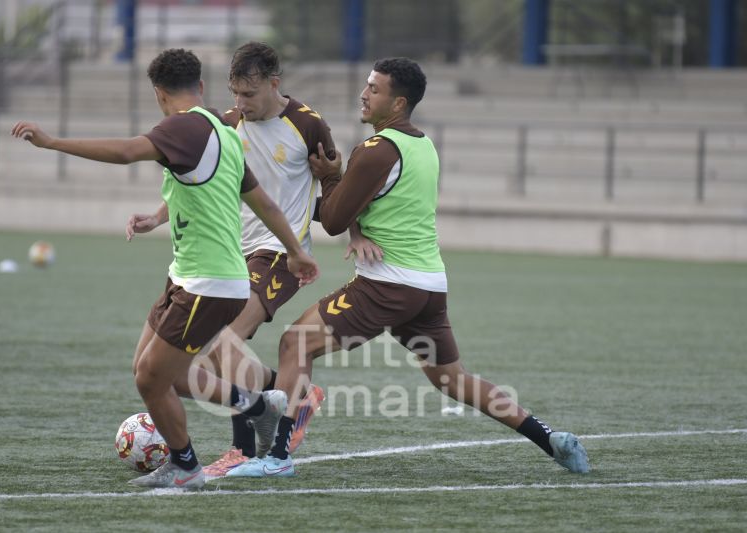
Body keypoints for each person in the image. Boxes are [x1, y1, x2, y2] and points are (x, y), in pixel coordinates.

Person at [226, 57, 590, 478]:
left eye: (374, 90)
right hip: (429, 286)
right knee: (453, 380)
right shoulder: (423, 145)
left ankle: (277, 458)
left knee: (295, 344)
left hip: (387, 284)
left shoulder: (375, 150)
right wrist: (345, 191)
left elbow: (334, 219)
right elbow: (371, 206)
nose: (363, 95)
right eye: (366, 85)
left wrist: (331, 175)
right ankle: (552, 439)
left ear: (398, 103)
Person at [11, 48, 319, 489]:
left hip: (208, 282)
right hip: (189, 276)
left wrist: (52, 142)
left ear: (158, 93)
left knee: (153, 379)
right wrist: (297, 250)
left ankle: (186, 465)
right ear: (201, 85)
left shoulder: (184, 126)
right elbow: (262, 202)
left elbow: (125, 151)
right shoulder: (221, 129)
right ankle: (258, 406)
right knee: (151, 370)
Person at [126, 42, 379, 478]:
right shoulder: (226, 124)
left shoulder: (308, 124)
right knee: (214, 349)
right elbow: (200, 181)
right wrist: (157, 217)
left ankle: (242, 448)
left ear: (273, 84)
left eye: (250, 95)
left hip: (281, 254)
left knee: (221, 341)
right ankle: (291, 396)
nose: (241, 104)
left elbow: (336, 183)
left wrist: (354, 231)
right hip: (231, 254)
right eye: (236, 94)